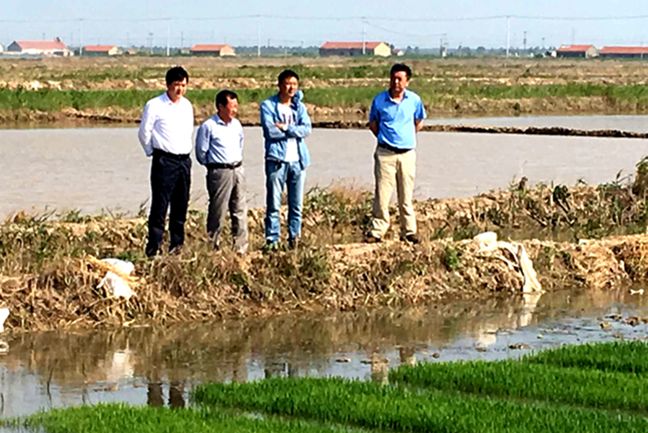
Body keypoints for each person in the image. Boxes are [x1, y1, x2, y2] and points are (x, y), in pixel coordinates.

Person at [366, 63, 426, 244]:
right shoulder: (379, 100)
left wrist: (406, 138)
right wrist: (385, 138)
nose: (396, 82)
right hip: (385, 153)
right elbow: (373, 124)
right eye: (393, 78)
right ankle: (377, 231)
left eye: (400, 79)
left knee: (406, 195)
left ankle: (409, 231)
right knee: (382, 195)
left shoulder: (414, 100)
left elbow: (419, 122)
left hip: (407, 154)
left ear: (407, 81)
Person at [138, 66, 194, 257]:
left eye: (183, 85)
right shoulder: (155, 105)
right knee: (160, 207)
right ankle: (154, 249)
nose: (180, 89)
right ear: (168, 85)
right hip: (164, 160)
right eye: (176, 85)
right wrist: (152, 152)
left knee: (181, 206)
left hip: (183, 161)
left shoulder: (187, 105)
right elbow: (144, 133)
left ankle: (176, 248)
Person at [260, 69, 312, 250]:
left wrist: (286, 128)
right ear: (280, 85)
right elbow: (270, 132)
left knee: (296, 205)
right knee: (274, 204)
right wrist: (293, 130)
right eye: (288, 84)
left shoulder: (299, 107)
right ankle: (272, 240)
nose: (291, 88)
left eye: (294, 84)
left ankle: (294, 239)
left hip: (298, 161)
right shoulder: (268, 105)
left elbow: (307, 129)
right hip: (277, 160)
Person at [195, 90, 248, 254]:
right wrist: (214, 166)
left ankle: (240, 248)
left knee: (240, 209)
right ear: (220, 106)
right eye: (232, 107)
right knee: (218, 210)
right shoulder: (208, 126)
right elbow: (201, 153)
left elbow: (240, 144)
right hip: (219, 171)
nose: (235, 110)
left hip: (237, 169)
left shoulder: (237, 125)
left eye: (236, 106)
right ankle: (213, 245)